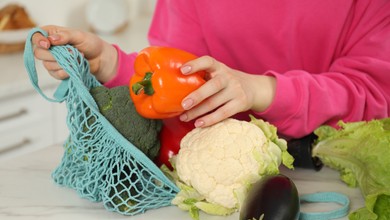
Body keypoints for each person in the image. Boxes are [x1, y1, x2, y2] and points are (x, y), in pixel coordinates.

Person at [32, 0, 390, 139]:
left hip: (342, 179)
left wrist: (260, 90)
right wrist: (110, 63)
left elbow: (377, 94)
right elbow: (178, 85)